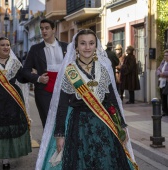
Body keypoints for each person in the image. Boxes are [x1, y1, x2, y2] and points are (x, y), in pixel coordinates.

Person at [36, 29, 138, 170]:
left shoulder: (103, 69)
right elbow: (62, 105)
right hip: (79, 127)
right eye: (83, 43)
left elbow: (112, 100)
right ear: (76, 47)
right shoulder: (69, 71)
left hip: (103, 125)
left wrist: (121, 125)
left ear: (96, 46)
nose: (87, 47)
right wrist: (60, 134)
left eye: (91, 43)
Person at [22, 19, 68, 128]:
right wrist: (38, 78)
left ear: (53, 29)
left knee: (66, 122)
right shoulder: (35, 49)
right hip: (44, 92)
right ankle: (49, 145)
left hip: (64, 91)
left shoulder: (66, 47)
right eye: (42, 29)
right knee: (49, 124)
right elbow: (25, 70)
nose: (44, 31)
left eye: (47, 28)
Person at [0, 37, 31, 169]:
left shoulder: (15, 63)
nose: (6, 47)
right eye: (2, 45)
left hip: (12, 100)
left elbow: (22, 78)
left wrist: (37, 77)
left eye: (8, 45)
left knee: (8, 129)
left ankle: (6, 159)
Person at [156, 49, 168, 116]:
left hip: (166, 81)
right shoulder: (163, 62)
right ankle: (164, 110)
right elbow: (158, 69)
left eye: (167, 55)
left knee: (165, 95)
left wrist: (164, 73)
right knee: (162, 96)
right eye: (165, 55)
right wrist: (159, 73)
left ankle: (166, 110)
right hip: (161, 81)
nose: (165, 57)